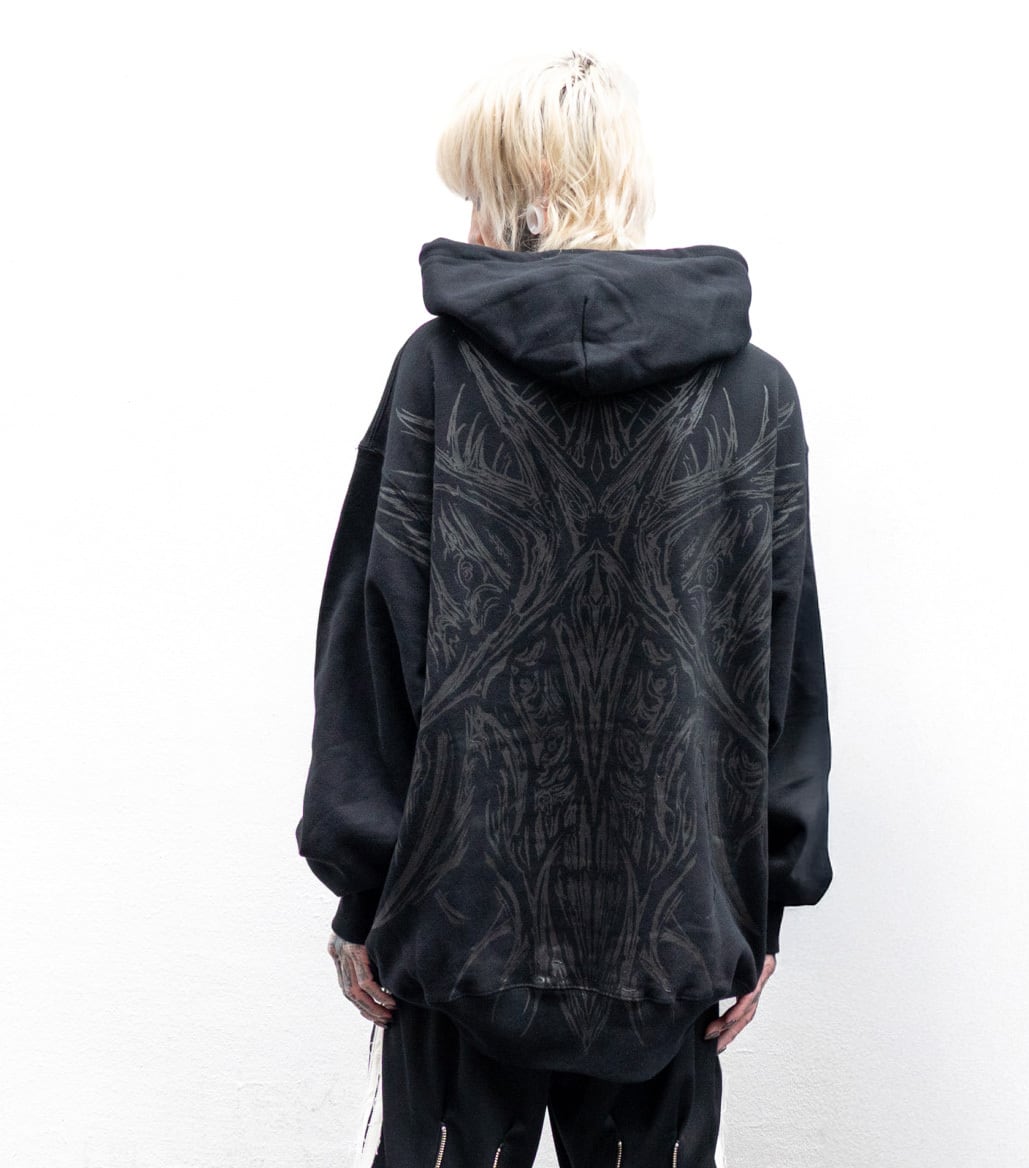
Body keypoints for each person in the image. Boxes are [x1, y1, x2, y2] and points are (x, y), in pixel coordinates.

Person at [297, 49, 833, 1168]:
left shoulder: (436, 375)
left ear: (520, 192)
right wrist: (763, 904)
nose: (467, 217)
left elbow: (370, 650)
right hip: (672, 936)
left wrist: (361, 893)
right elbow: (781, 665)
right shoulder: (754, 396)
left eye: (476, 188)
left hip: (456, 926)